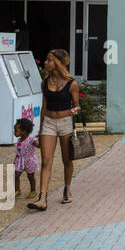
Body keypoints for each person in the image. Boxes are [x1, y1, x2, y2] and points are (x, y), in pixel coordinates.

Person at [28, 49, 81, 211]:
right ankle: (42, 198)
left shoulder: (72, 84)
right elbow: (43, 107)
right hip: (49, 123)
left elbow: (77, 104)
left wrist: (75, 110)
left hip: (65, 122)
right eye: (46, 59)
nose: (46, 63)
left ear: (57, 63)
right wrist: (40, 128)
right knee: (46, 161)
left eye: (49, 60)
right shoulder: (45, 83)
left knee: (67, 159)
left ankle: (67, 188)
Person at [13, 117, 38, 200]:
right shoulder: (19, 140)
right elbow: (18, 150)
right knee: (16, 175)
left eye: (16, 130)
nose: (14, 132)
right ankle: (17, 190)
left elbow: (37, 145)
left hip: (29, 161)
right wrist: (15, 159)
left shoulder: (31, 139)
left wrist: (40, 140)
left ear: (24, 131)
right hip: (20, 160)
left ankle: (33, 191)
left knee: (30, 176)